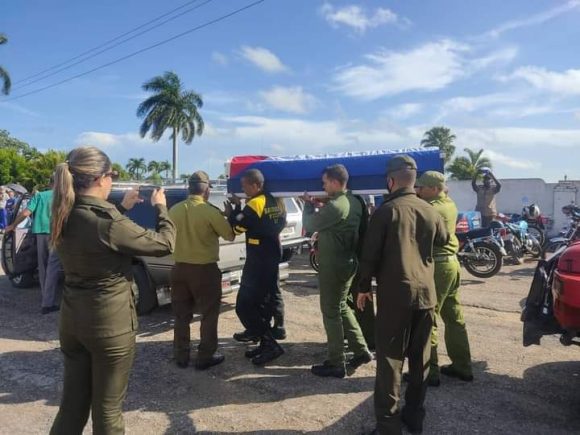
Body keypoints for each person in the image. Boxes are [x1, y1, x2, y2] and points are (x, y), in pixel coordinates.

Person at [48, 146, 175, 435]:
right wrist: (161, 208)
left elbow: (97, 232)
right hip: (108, 324)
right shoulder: (107, 221)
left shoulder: (65, 212)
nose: (111, 181)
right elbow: (164, 244)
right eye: (111, 176)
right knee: (107, 411)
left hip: (72, 320)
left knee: (72, 406)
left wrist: (122, 207)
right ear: (101, 178)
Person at [356, 156, 449, 434]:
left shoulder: (386, 211)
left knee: (390, 360)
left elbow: (369, 255)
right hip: (426, 296)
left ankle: (388, 425)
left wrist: (362, 287)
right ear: (414, 180)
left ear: (390, 180)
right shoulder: (431, 211)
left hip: (396, 295)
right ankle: (414, 417)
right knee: (420, 360)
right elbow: (443, 240)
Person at [302, 164, 372, 378]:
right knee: (342, 307)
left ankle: (336, 362)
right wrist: (320, 202)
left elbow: (309, 224)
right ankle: (361, 351)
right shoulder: (354, 201)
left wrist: (307, 205)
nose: (323, 186)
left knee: (331, 312)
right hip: (348, 263)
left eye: (324, 183)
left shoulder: (335, 207)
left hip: (333, 267)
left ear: (334, 182)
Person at [169, 171, 235, 370]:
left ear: (189, 188)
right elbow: (229, 236)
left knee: (181, 314)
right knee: (208, 313)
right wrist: (229, 217)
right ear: (206, 190)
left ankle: (181, 355)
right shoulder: (209, 211)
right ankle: (205, 356)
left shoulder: (174, 210)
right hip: (204, 271)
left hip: (179, 269)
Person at [415, 171, 473, 387]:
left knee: (428, 319)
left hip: (438, 265)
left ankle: (429, 373)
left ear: (433, 188)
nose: (418, 191)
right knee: (453, 316)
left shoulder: (431, 209)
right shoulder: (449, 203)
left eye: (421, 188)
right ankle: (463, 366)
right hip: (451, 263)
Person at [224, 169, 286, 365]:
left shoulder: (255, 203)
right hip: (272, 255)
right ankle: (264, 342)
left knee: (244, 305)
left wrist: (232, 213)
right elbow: (281, 223)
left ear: (256, 185)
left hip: (258, 260)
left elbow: (237, 228)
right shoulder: (277, 201)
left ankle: (270, 345)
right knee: (263, 303)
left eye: (245, 185)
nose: (243, 188)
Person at [6, 178, 63, 314]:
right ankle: (50, 300)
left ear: (49, 184)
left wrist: (13, 225)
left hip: (40, 234)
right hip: (57, 234)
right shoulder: (63, 197)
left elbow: (26, 213)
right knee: (54, 266)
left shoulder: (40, 196)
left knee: (43, 266)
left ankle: (46, 299)